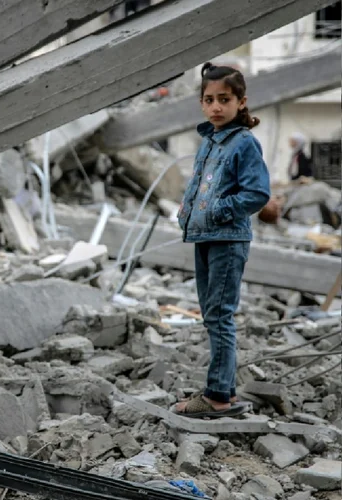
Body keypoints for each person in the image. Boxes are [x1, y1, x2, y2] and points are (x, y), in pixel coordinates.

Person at [175, 63, 271, 419]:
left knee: (220, 315)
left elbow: (258, 193)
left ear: (241, 102)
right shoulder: (210, 140)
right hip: (205, 236)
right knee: (212, 314)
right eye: (209, 99)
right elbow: (198, 184)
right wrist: (186, 211)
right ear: (201, 103)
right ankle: (223, 389)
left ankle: (217, 397)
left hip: (227, 239)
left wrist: (217, 210)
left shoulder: (244, 142)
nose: (216, 107)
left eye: (225, 99)